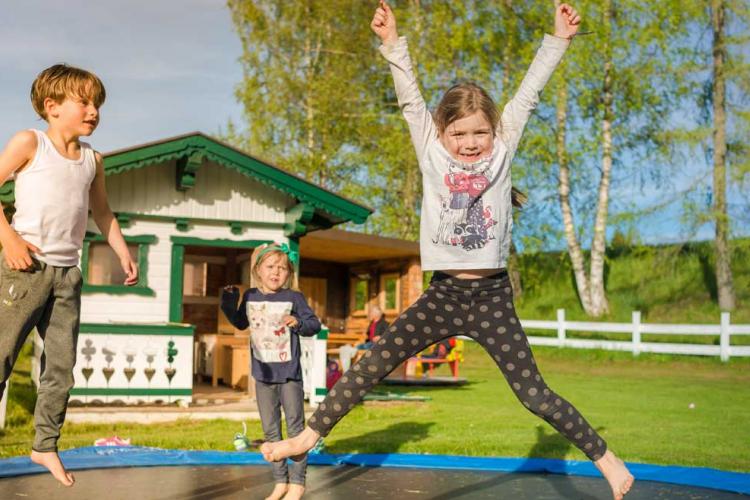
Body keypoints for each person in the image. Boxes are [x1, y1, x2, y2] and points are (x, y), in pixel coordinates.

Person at [261, 2, 634, 499]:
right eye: (460, 133)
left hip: (493, 299)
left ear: (494, 131)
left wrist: (558, 41)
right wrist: (393, 43)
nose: (471, 141)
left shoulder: (503, 149)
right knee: (373, 362)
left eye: (480, 131)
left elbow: (528, 94)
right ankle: (308, 436)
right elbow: (411, 101)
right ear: (442, 133)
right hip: (442, 296)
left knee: (534, 395)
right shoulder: (432, 151)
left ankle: (608, 460)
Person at [0, 64, 138, 486]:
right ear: (52, 106)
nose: (94, 110)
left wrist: (123, 251)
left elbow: (103, 212)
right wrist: (9, 239)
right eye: (85, 102)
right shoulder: (31, 142)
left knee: (61, 366)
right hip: (25, 269)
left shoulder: (93, 160)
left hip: (67, 276)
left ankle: (45, 444)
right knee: (2, 358)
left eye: (98, 103)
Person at [221, 243, 321, 500]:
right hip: (262, 373)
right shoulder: (252, 296)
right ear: (257, 270)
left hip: (289, 373)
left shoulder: (294, 297)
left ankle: (297, 484)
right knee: (270, 430)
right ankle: (280, 482)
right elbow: (241, 322)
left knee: (296, 430)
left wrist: (297, 322)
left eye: (282, 268)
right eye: (270, 267)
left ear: (288, 273)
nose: (276, 272)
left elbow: (314, 324)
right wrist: (229, 304)